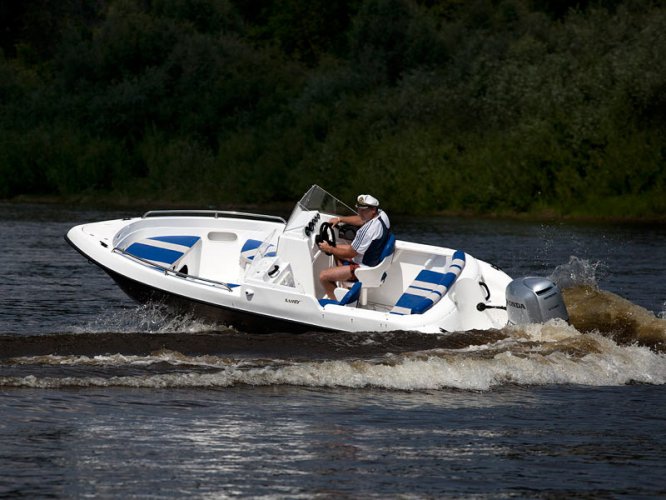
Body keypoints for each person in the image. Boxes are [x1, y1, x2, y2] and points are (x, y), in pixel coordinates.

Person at [318, 194, 391, 300]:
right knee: (336, 248)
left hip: (363, 268)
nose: (359, 213)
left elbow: (350, 253)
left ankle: (336, 303)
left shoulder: (367, 231)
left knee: (323, 276)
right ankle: (344, 287)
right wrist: (340, 219)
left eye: (363, 210)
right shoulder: (382, 215)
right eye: (358, 209)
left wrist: (329, 249)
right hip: (374, 259)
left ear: (373, 210)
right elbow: (361, 220)